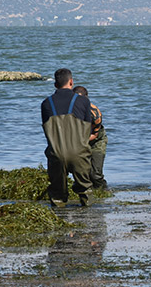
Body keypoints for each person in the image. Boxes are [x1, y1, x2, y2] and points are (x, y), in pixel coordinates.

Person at [41, 68, 93, 206]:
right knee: (85, 189)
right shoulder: (84, 102)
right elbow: (88, 129)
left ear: (55, 85)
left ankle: (59, 213)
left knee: (57, 195)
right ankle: (88, 209)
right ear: (71, 82)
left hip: (56, 154)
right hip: (79, 153)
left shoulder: (46, 103)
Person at [72, 85, 108, 190]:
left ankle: (103, 193)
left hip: (96, 140)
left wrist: (79, 142)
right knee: (82, 173)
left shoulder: (95, 113)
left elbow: (95, 135)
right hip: (79, 140)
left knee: (95, 175)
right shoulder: (70, 111)